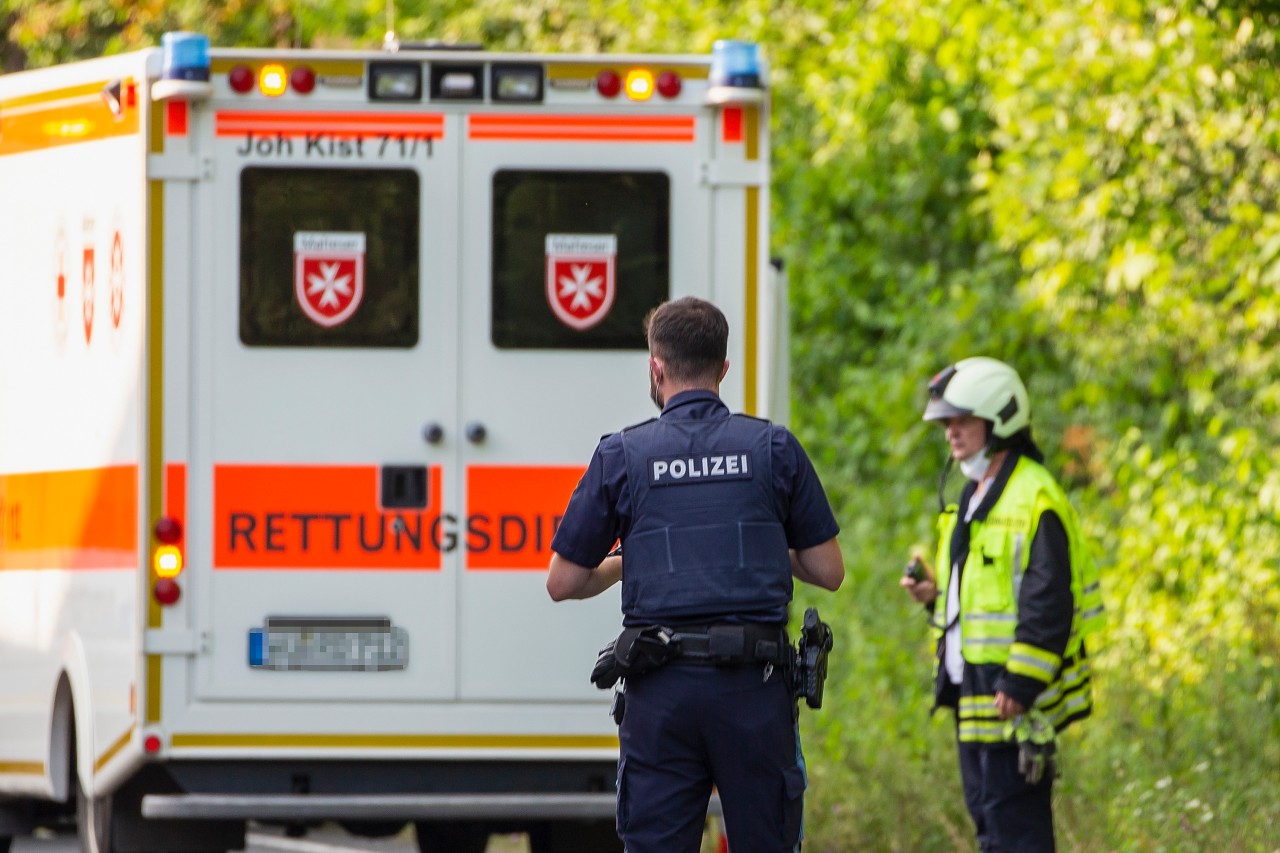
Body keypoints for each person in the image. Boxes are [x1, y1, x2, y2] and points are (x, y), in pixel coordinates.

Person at [547, 296, 845, 853]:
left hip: (661, 694)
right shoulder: (773, 446)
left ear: (655, 366)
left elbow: (562, 581)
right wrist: (751, 544)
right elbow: (828, 571)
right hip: (754, 692)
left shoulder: (623, 454)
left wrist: (629, 560)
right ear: (723, 369)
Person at [901, 356, 1104, 852]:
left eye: (963, 420)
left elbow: (1048, 598)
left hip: (1008, 695)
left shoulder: (1034, 497)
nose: (952, 432)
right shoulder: (975, 493)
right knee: (992, 826)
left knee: (1016, 832)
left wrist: (1021, 681)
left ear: (1000, 419)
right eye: (947, 422)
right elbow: (983, 594)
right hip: (975, 690)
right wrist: (934, 598)